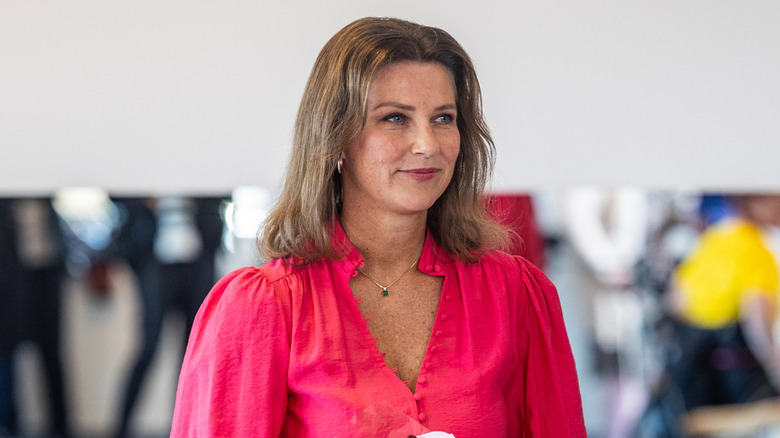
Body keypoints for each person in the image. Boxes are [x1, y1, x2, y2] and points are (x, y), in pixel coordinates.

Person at [170, 17, 585, 437]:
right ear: (335, 139)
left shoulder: (516, 295)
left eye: (443, 118)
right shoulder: (263, 308)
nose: (428, 144)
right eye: (395, 119)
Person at [666, 194, 780, 412]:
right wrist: (775, 368)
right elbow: (758, 323)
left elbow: (676, 301)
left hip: (699, 378)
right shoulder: (757, 250)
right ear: (752, 203)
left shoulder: (713, 240)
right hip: (740, 380)